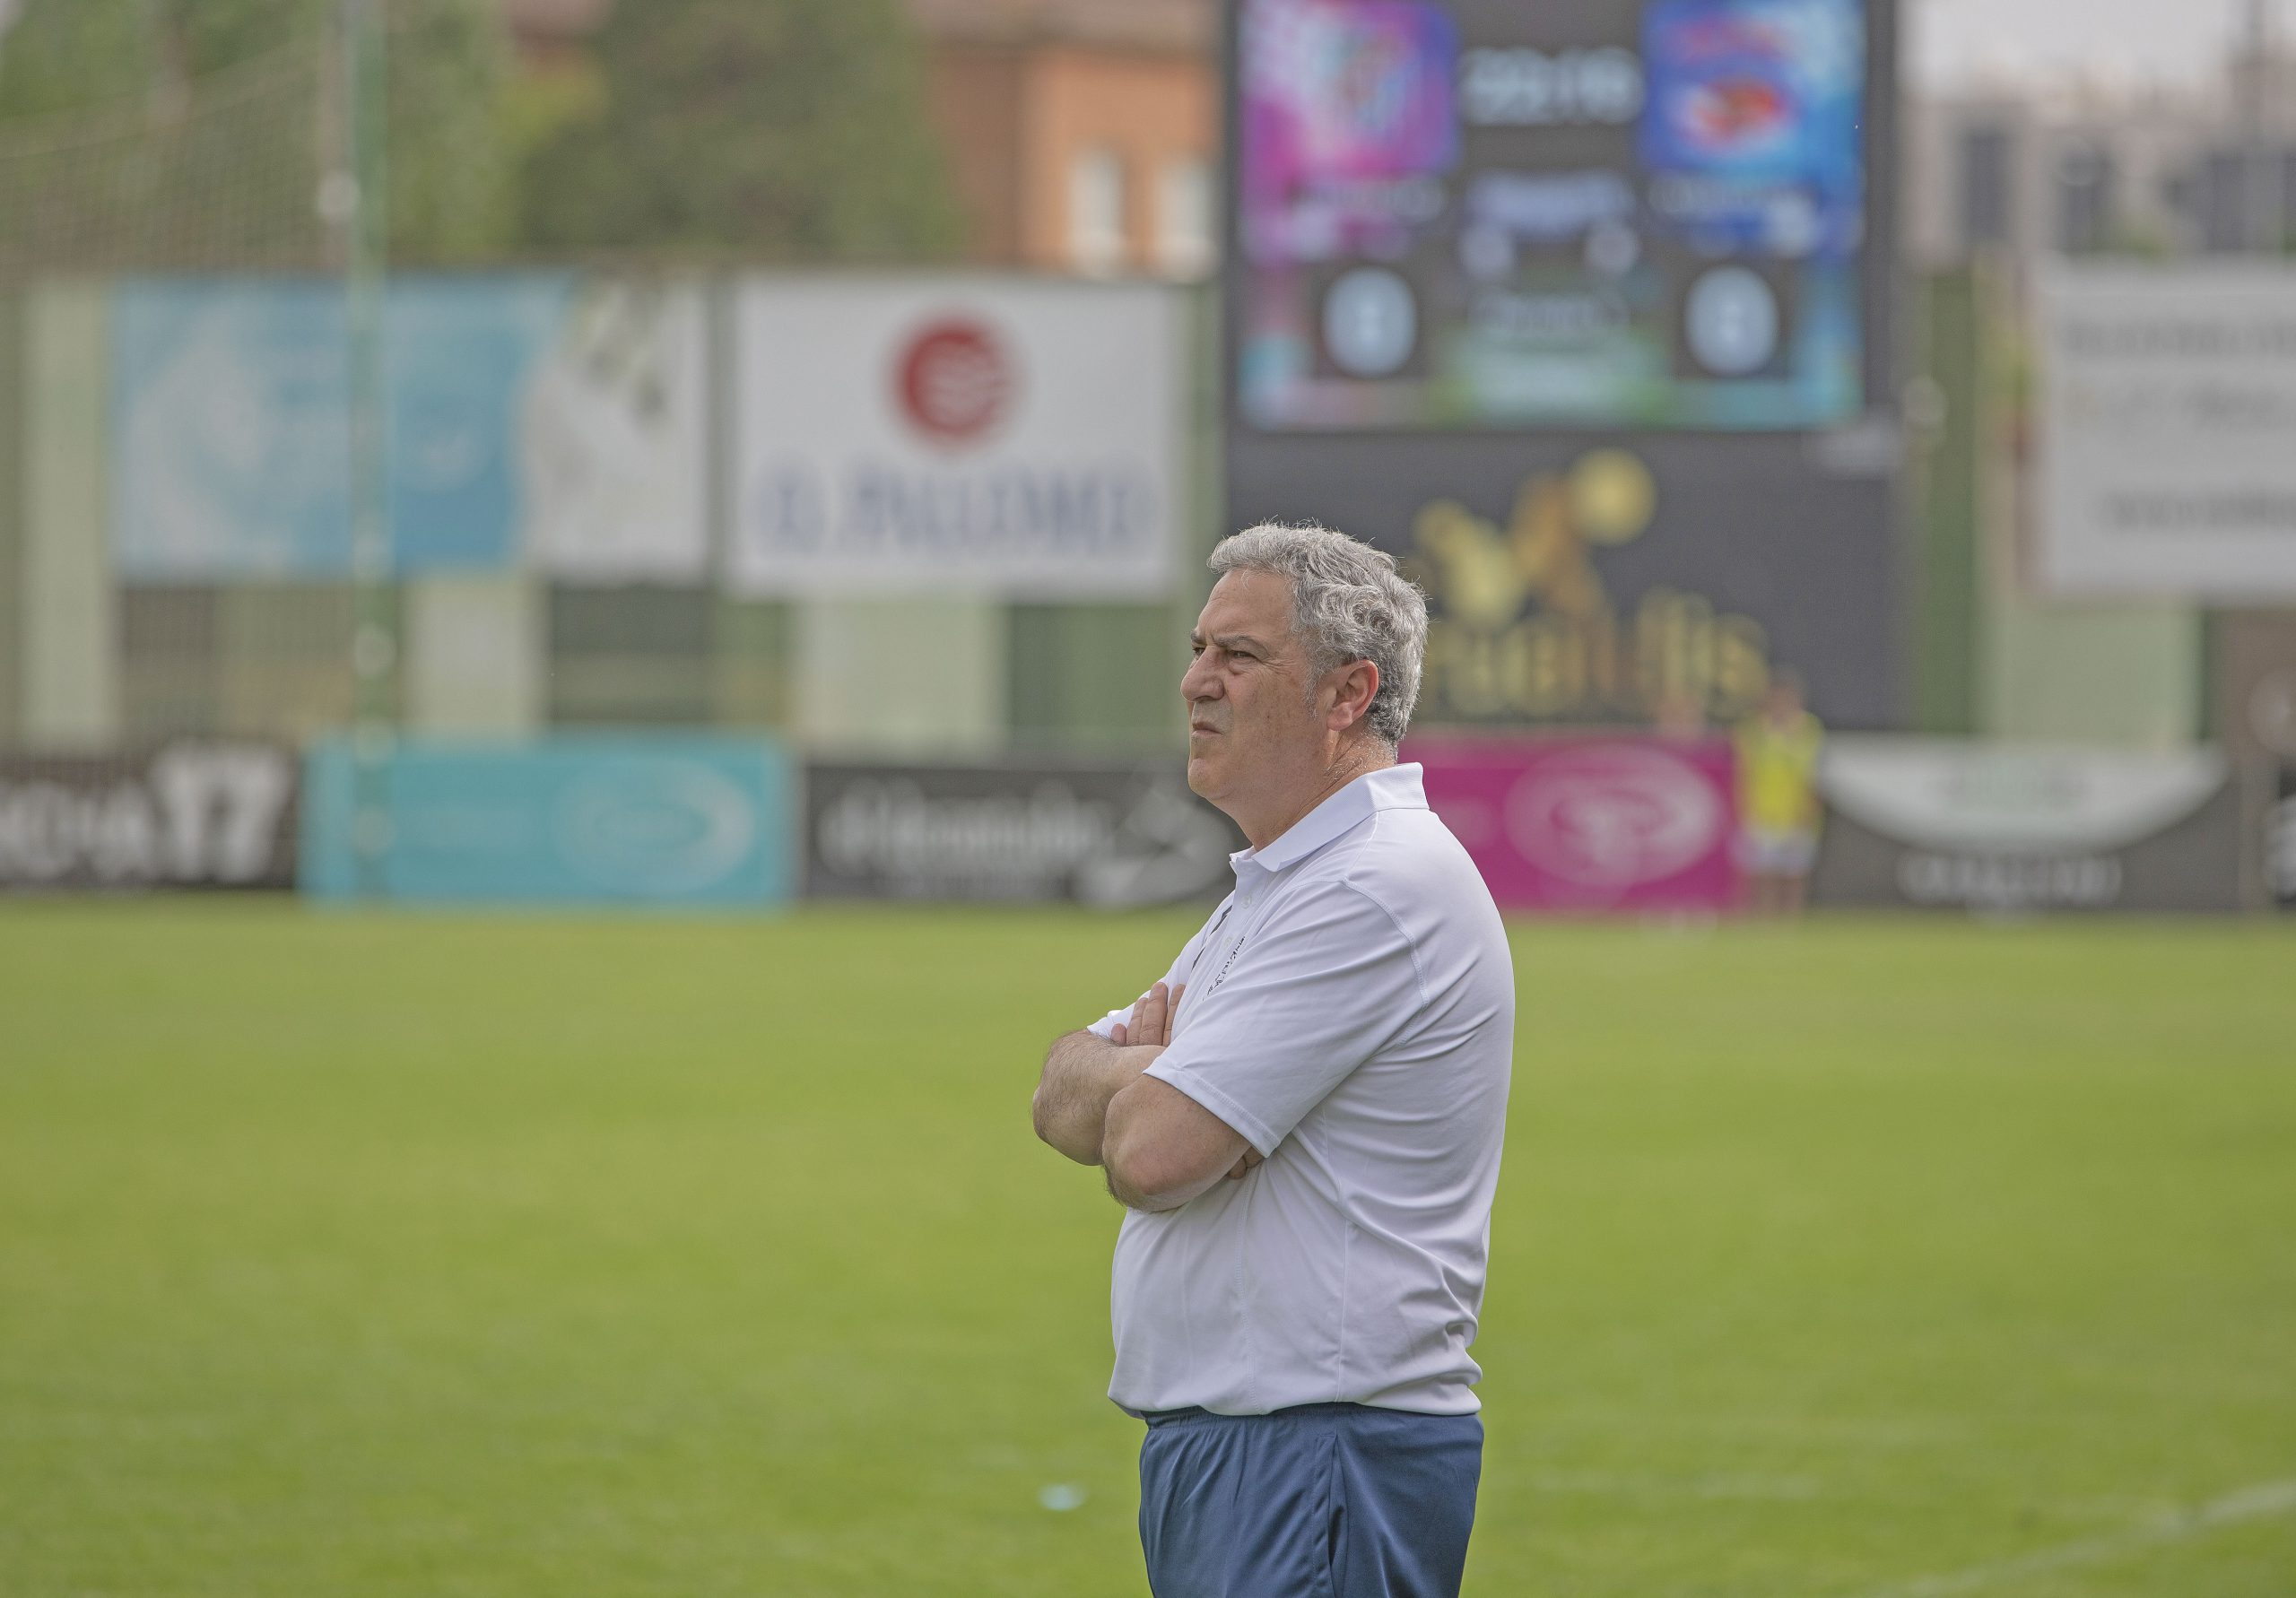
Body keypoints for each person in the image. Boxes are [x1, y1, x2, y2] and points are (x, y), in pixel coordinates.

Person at [1031, 524, 1516, 1598]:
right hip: (1258, 1446)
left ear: (1348, 694)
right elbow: (1058, 1090)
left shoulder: (1369, 887)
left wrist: (1163, 1077)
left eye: (1237, 657)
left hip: (1316, 1449)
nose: (1195, 681)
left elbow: (1149, 1156)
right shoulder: (1288, 884)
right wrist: (1154, 1077)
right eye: (1201, 649)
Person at [1734, 671, 1826, 916]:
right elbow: (1744, 771)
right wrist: (1745, 807)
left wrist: (1810, 807)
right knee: (1762, 872)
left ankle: (1790, 920)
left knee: (1795, 872)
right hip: (1762, 811)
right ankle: (1761, 916)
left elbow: (1812, 773)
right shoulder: (1754, 730)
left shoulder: (1808, 729)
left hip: (1796, 811)